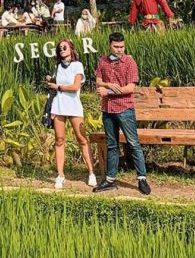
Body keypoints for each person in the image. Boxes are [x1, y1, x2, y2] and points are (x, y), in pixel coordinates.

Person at [93, 31, 151, 195]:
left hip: (124, 108)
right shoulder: (103, 61)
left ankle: (141, 178)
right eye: (116, 47)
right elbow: (98, 82)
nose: (119, 50)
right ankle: (110, 180)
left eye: (122, 46)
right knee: (112, 145)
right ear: (110, 45)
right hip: (107, 109)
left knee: (133, 143)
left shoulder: (129, 62)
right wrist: (109, 85)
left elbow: (130, 88)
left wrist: (108, 91)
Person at [45, 39, 97, 190]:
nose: (62, 49)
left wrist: (58, 86)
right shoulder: (57, 67)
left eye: (64, 47)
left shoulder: (77, 65)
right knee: (59, 140)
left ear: (71, 49)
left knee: (81, 139)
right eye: (59, 48)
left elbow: (75, 87)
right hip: (59, 105)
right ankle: (60, 175)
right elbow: (56, 85)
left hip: (73, 106)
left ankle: (91, 172)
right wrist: (51, 82)